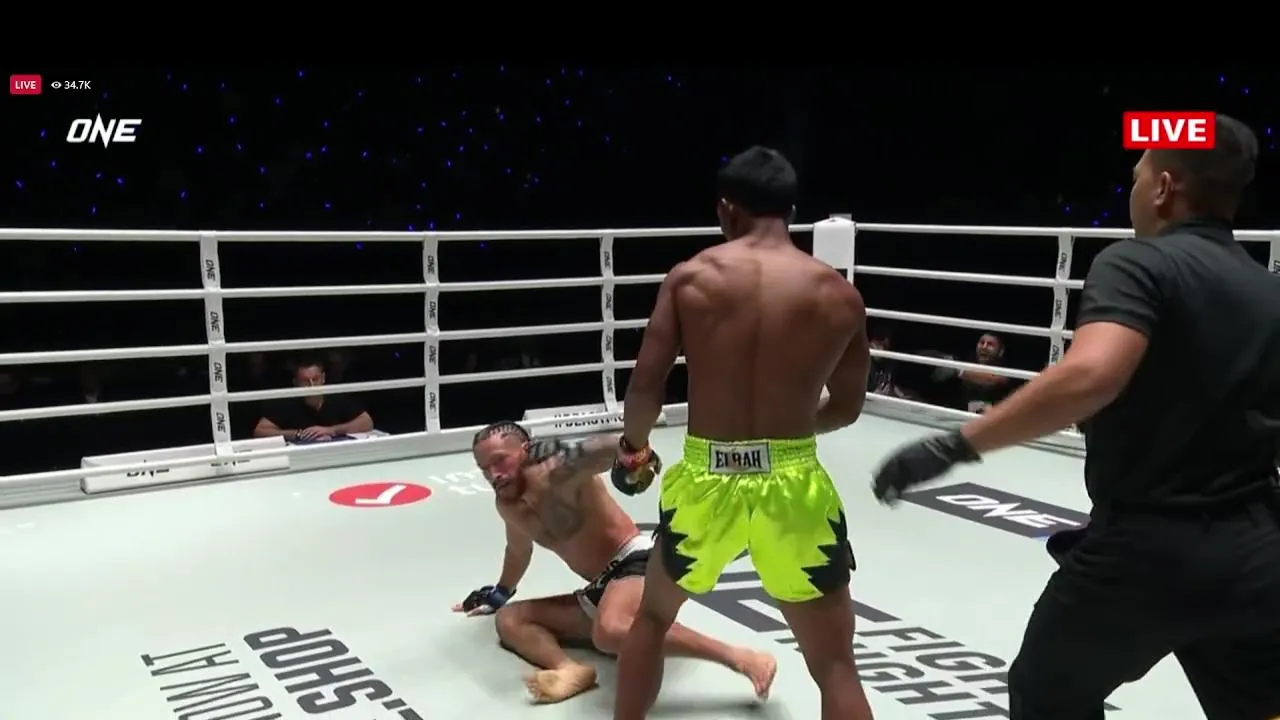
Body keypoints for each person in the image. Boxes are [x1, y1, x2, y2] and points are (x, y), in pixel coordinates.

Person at [872, 114, 1280, 719]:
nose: (1134, 189)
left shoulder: (1139, 263)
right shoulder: (1268, 291)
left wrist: (953, 445)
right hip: (1256, 550)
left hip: (1146, 550)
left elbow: (1092, 374)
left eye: (1138, 175)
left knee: (1045, 696)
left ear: (1165, 188)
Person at [611, 146, 874, 720]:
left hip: (706, 477)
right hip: (795, 483)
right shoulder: (839, 295)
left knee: (652, 618)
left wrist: (633, 451)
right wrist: (785, 435)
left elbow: (645, 387)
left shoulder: (692, 278)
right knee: (835, 664)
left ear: (726, 209)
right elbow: (848, 407)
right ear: (792, 211)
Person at [459, 421, 777, 705]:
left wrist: (637, 456)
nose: (493, 475)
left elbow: (608, 447)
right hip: (599, 588)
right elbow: (518, 551)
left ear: (526, 449)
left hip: (634, 561)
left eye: (500, 460)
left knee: (609, 631)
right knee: (511, 620)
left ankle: (738, 656)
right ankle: (569, 670)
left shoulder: (559, 470)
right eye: (484, 468)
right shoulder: (507, 505)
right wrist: (499, 594)